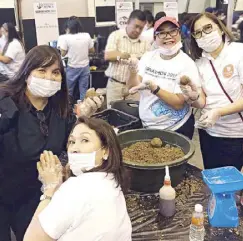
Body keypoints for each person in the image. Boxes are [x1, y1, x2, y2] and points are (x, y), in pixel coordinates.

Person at [0, 45, 103, 241]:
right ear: (26, 73)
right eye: (41, 70)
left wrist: (85, 119)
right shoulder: (6, 105)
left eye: (55, 72)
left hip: (34, 195)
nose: (49, 78)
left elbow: (70, 143)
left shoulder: (60, 108)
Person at [23, 116, 132, 241]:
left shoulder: (76, 188)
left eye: (85, 140)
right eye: (71, 142)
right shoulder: (111, 180)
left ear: (106, 151)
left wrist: (50, 189)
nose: (75, 148)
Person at [180, 12, 243, 170]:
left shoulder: (238, 53)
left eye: (208, 28)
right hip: (208, 132)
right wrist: (193, 97)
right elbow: (202, 101)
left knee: (229, 180)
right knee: (211, 173)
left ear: (221, 29)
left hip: (235, 133)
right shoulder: (200, 63)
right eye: (198, 33)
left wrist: (219, 112)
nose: (204, 35)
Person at [127, 17, 200, 139]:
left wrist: (155, 88)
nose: (168, 36)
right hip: (147, 126)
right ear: (155, 38)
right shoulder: (148, 57)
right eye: (161, 33)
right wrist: (133, 71)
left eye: (172, 31)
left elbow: (178, 103)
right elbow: (132, 86)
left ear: (179, 33)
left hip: (177, 128)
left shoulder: (187, 63)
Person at [104, 10, 151, 108]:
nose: (138, 30)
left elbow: (148, 63)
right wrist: (121, 56)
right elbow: (108, 56)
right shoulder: (116, 36)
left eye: (141, 28)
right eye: (136, 26)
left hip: (135, 88)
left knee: (134, 116)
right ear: (128, 22)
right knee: (113, 115)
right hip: (116, 85)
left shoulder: (145, 42)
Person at [59, 17, 95, 100]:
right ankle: (83, 109)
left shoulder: (65, 38)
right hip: (85, 67)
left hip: (72, 67)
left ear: (68, 27)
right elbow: (92, 50)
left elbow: (63, 53)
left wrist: (62, 48)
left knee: (69, 91)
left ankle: (68, 109)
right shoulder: (86, 35)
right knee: (83, 91)